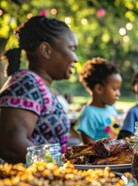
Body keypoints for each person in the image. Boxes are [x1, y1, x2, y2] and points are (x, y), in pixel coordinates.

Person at [0, 16, 78, 163]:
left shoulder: (40, 86)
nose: (76, 59)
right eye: (72, 49)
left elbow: (48, 141)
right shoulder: (27, 82)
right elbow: (11, 146)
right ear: (46, 50)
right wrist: (59, 163)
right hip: (28, 183)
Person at [77, 57, 122, 144]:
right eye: (114, 89)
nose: (118, 93)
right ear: (99, 89)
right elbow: (88, 148)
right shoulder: (89, 114)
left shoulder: (111, 108)